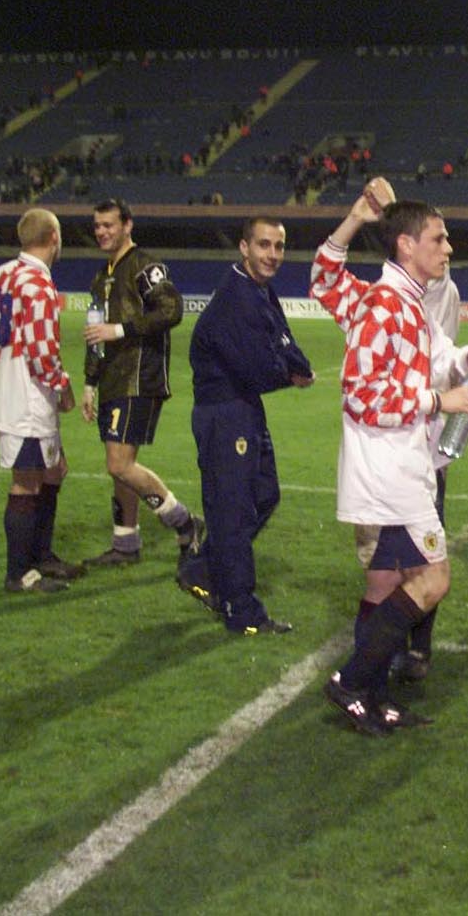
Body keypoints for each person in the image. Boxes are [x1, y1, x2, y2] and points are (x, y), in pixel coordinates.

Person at [312, 178, 468, 735]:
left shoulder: (403, 301)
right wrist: (441, 399)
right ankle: (352, 682)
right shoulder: (385, 307)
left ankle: (370, 694)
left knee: (383, 586)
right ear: (406, 246)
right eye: (438, 239)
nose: (447, 249)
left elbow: (435, 352)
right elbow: (362, 396)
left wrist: (466, 355)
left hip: (395, 465)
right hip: (391, 471)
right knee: (433, 579)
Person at [175, 217, 315, 635]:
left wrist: (297, 366)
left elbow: (284, 341)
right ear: (244, 247)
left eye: (278, 246)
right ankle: (241, 609)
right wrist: (289, 375)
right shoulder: (236, 295)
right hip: (224, 412)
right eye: (264, 245)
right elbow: (256, 367)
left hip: (243, 409)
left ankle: (202, 568)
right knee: (233, 510)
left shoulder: (259, 291)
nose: (272, 255)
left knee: (264, 494)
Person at [80, 198, 203, 566]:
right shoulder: (102, 276)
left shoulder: (145, 267)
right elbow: (94, 334)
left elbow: (171, 309)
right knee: (120, 465)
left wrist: (119, 329)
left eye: (109, 225)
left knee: (119, 465)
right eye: (98, 226)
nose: (102, 232)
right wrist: (89, 382)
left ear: (127, 225)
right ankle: (125, 544)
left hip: (139, 378)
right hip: (112, 381)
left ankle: (186, 522)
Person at [0, 208, 84, 592]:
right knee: (26, 482)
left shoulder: (1, 274)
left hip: (11, 389)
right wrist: (64, 386)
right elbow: (41, 350)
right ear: (54, 237)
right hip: (28, 398)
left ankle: (42, 555)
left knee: (55, 471)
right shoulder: (38, 284)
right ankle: (19, 574)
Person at [387, 265, 465, 682]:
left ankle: (417, 646)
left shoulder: (443, 292)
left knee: (426, 553)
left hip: (426, 439)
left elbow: (444, 358)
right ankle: (394, 644)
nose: (446, 252)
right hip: (395, 441)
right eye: (438, 241)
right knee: (394, 555)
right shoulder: (394, 294)